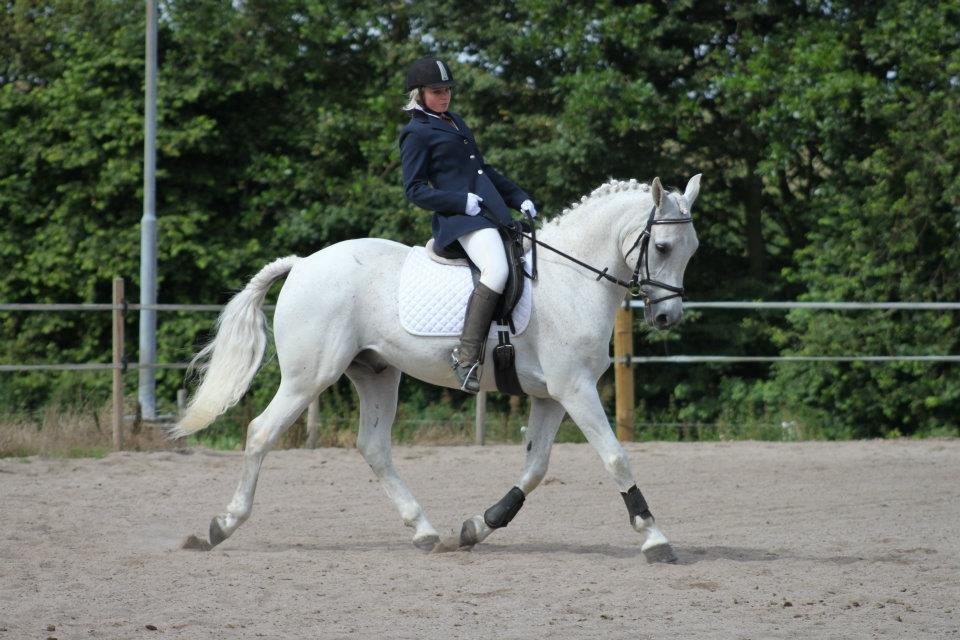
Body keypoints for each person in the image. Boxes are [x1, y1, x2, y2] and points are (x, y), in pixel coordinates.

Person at [399, 57, 537, 394]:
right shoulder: (416, 132)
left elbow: (482, 171)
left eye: (447, 90)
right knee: (496, 270)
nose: (444, 96)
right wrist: (460, 202)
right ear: (419, 94)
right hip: (460, 220)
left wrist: (518, 197)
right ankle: (465, 357)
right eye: (437, 91)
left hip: (490, 213)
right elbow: (415, 190)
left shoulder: (455, 122)